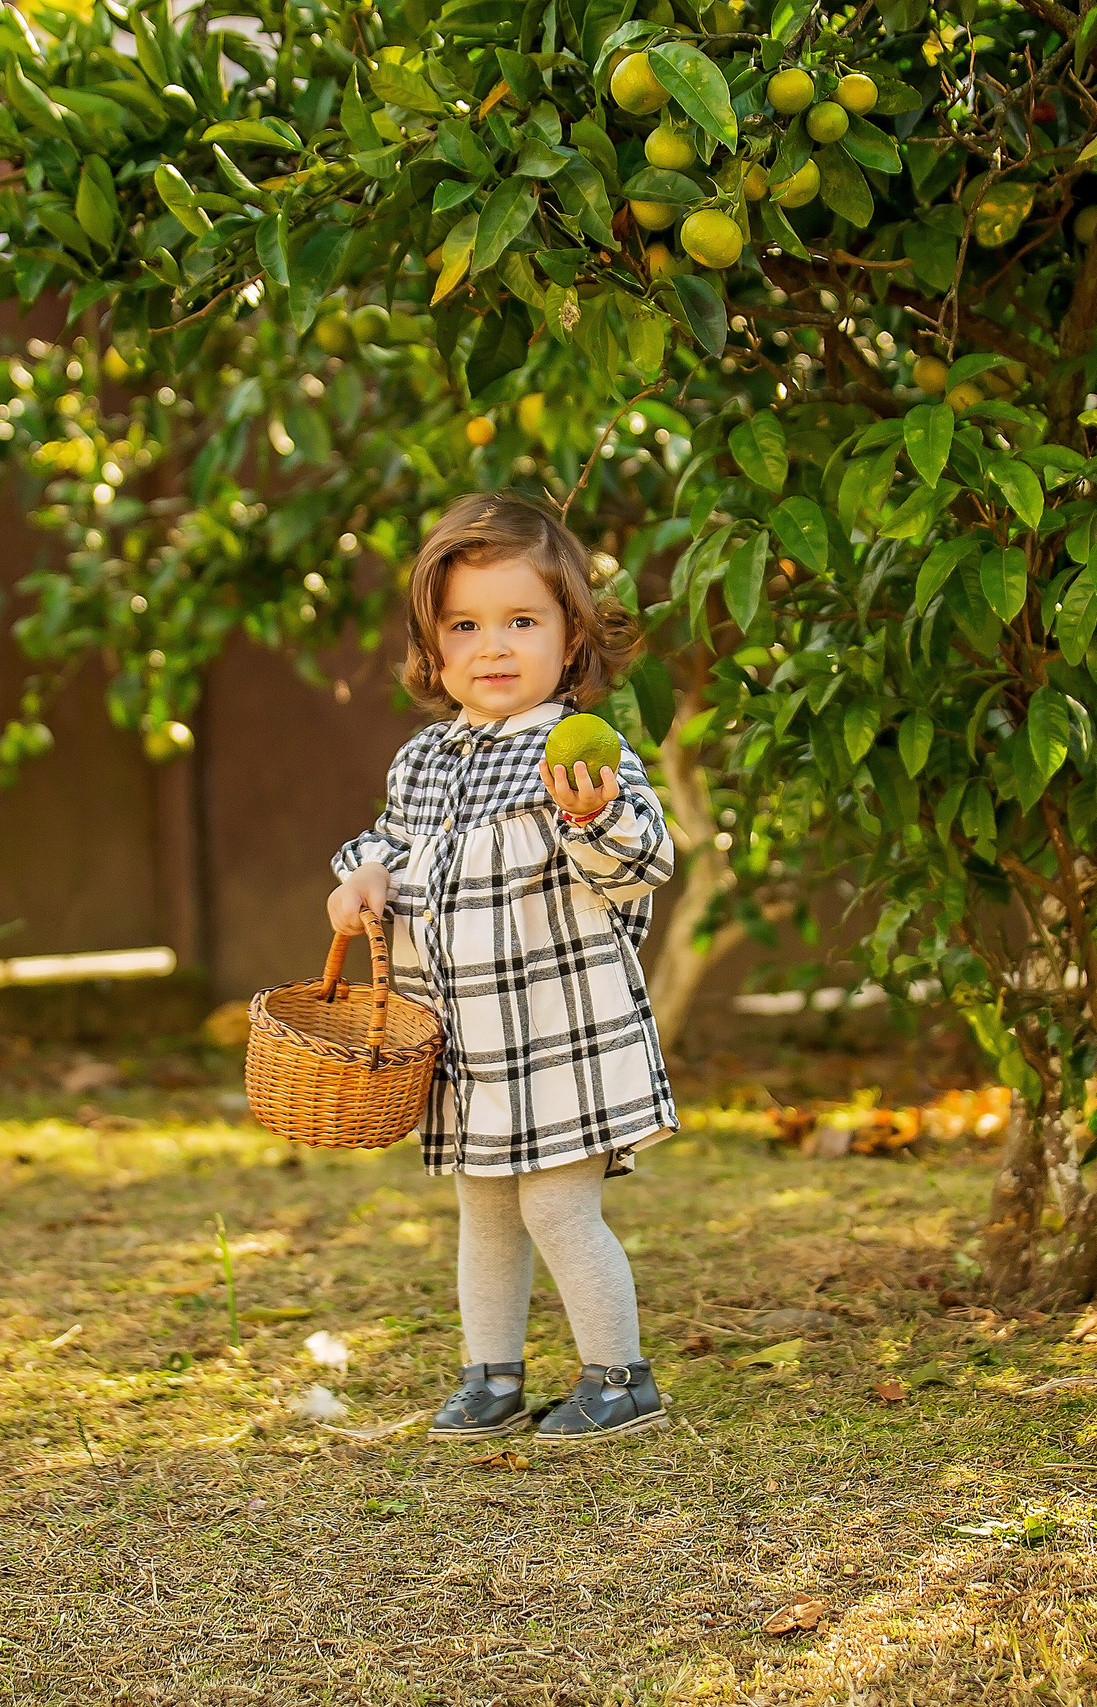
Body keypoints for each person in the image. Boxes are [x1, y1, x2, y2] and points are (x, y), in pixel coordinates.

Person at [326, 492, 678, 1446]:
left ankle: (621, 1373)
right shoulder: (424, 762)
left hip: (557, 1032)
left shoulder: (583, 757)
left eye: (522, 621)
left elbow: (642, 863)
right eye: (466, 625)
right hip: (465, 1040)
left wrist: (589, 815)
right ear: (433, 651)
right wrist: (360, 873)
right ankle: (492, 1373)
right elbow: (389, 843)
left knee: (557, 1205)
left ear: (570, 641)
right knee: (482, 1211)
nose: (494, 646)